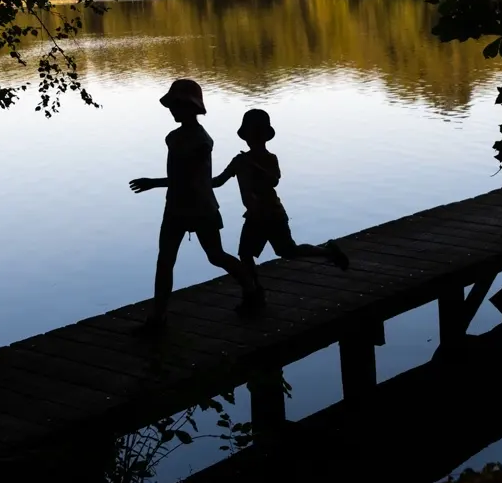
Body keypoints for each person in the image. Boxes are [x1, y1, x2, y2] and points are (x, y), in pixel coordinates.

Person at [129, 79, 261, 328]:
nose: (173, 110)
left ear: (191, 107)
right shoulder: (174, 137)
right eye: (172, 105)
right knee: (165, 260)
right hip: (176, 207)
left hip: (200, 206)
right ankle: (158, 317)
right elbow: (181, 177)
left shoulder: (202, 141)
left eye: (177, 105)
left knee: (215, 255)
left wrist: (153, 183)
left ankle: (252, 289)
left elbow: (186, 178)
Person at [214, 108, 350, 283]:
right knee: (246, 254)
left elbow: (274, 180)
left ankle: (328, 251)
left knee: (287, 251)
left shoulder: (270, 158)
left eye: (254, 134)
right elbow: (218, 181)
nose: (251, 139)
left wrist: (256, 166)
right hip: (255, 216)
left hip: (273, 214)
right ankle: (255, 292)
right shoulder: (239, 161)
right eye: (250, 134)